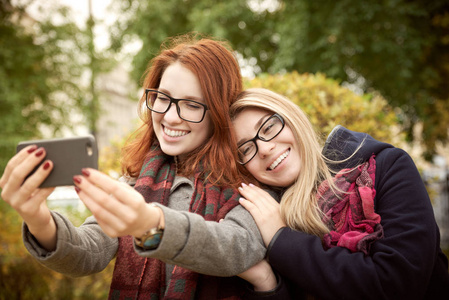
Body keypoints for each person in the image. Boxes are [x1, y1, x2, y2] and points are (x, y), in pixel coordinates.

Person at [0, 34, 273, 299]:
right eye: (162, 98)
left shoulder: (248, 176)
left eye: (191, 105)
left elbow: (236, 248)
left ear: (220, 111)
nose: (169, 117)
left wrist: (151, 224)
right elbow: (89, 252)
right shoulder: (140, 178)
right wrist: (37, 217)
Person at [230, 88, 449, 299]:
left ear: (293, 119)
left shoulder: (388, 166)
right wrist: (266, 282)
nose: (265, 149)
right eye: (246, 149)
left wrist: (282, 239)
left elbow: (396, 286)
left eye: (268, 128)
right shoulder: (265, 217)